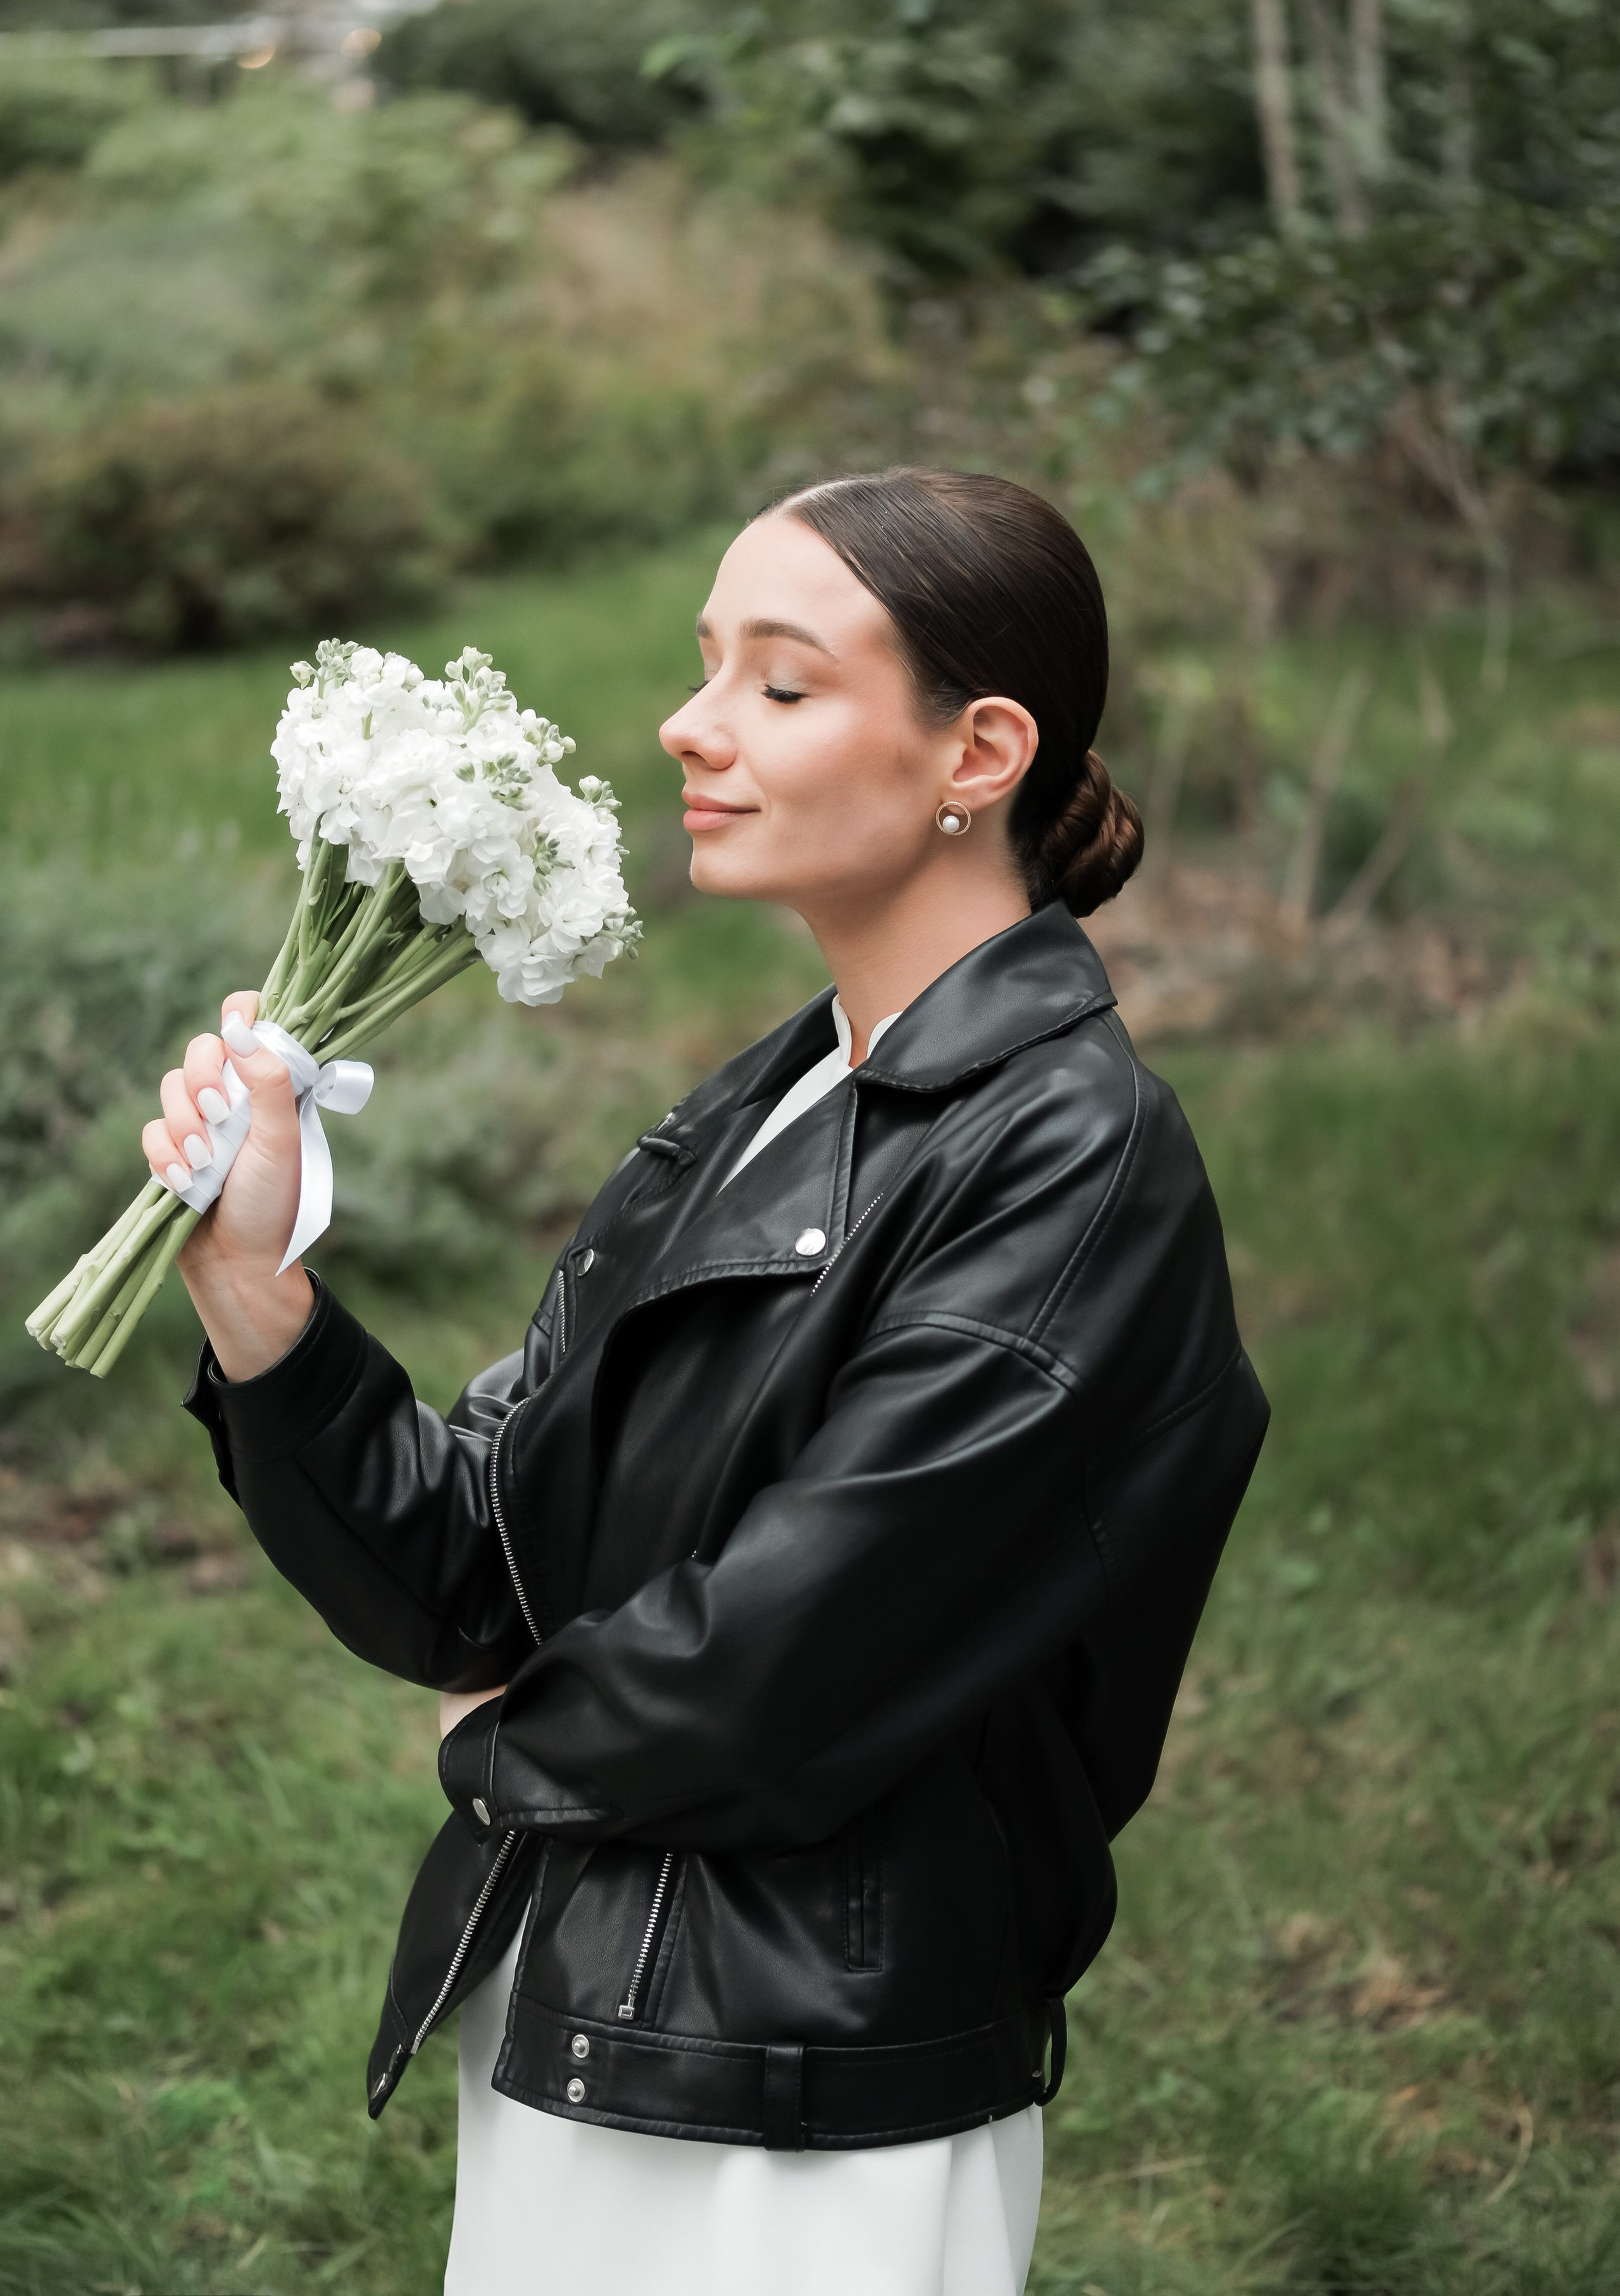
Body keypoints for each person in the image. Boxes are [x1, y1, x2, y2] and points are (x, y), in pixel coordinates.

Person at [146, 468, 1268, 2296]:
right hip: (583, 2006)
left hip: (803, 2094)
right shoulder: (773, 1102)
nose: (689, 724)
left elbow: (804, 1653)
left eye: (782, 682)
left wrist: (502, 1744)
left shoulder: (1075, 1161)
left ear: (978, 749)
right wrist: (261, 1297)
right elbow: (475, 1572)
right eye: (703, 665)